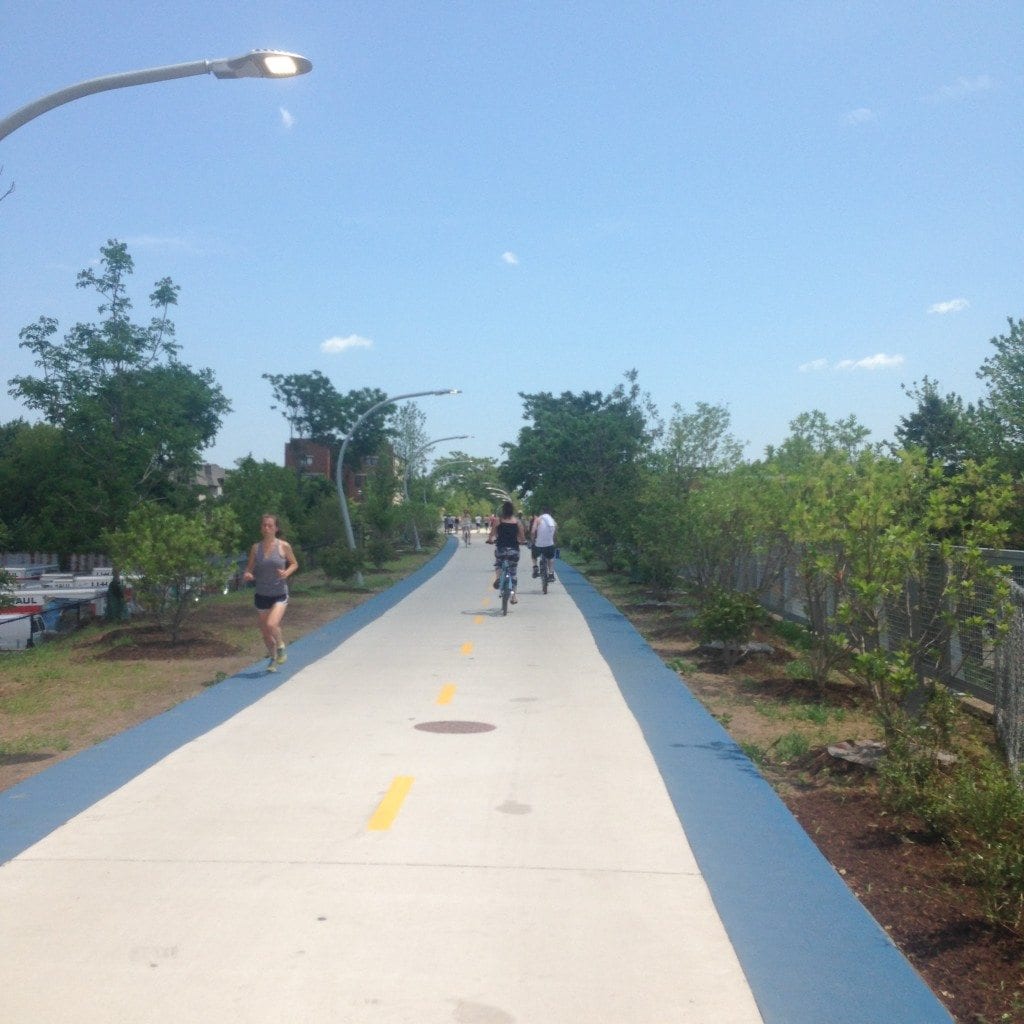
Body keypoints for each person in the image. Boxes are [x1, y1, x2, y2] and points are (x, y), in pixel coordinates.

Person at [242, 513, 298, 672]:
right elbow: (249, 568)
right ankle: (273, 658)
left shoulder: (283, 546)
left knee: (272, 624)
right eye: (264, 525)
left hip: (279, 593)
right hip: (261, 594)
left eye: (270, 526)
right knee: (266, 633)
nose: (267, 528)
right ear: (261, 528)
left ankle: (281, 646)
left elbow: (294, 564)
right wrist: (248, 574)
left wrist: (286, 573)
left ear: (276, 528)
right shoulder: (256, 548)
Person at [486, 500, 526, 604]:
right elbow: (522, 537)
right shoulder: (517, 522)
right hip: (513, 550)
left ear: (503, 510)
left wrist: (490, 540)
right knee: (513, 572)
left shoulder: (498, 521)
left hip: (501, 549)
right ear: (513, 511)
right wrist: (522, 542)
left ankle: (499, 578)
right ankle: (514, 597)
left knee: (498, 564)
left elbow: (492, 534)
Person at [531, 506, 558, 583]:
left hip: (538, 545)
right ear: (550, 513)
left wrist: (533, 541)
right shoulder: (553, 521)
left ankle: (535, 567)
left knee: (534, 555)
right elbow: (555, 533)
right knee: (551, 557)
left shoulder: (538, 519)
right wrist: (554, 541)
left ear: (541, 512)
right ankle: (551, 574)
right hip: (549, 545)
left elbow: (533, 532)